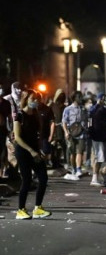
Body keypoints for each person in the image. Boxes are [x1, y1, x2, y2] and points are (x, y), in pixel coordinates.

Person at [13, 90, 51, 219]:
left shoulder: (35, 115)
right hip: (23, 151)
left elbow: (36, 136)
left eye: (38, 99)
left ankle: (38, 208)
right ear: (26, 99)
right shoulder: (19, 115)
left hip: (35, 151)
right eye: (33, 98)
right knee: (27, 180)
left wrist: (39, 150)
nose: (36, 101)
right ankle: (21, 210)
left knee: (43, 177)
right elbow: (17, 137)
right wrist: (31, 151)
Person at [62, 91, 88, 180]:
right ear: (74, 98)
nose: (80, 98)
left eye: (81, 96)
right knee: (72, 152)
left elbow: (90, 118)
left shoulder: (84, 109)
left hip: (81, 133)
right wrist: (66, 132)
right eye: (78, 97)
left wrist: (88, 127)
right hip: (71, 133)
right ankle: (73, 168)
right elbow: (64, 121)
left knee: (79, 151)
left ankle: (78, 169)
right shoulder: (68, 109)